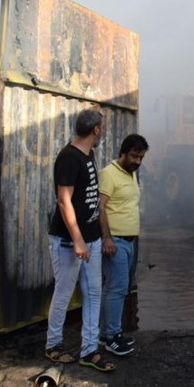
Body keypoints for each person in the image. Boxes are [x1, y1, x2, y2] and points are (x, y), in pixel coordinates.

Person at [45, 109, 115, 372]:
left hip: (92, 239)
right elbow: (64, 201)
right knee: (63, 292)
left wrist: (97, 236)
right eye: (102, 127)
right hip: (68, 241)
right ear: (96, 129)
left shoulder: (89, 155)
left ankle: (89, 350)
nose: (102, 132)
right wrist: (78, 240)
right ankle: (53, 345)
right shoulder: (69, 157)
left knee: (94, 293)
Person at [98, 133, 148, 357]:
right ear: (124, 153)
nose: (137, 161)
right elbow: (101, 207)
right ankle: (112, 337)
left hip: (130, 241)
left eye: (141, 157)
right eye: (134, 156)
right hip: (116, 241)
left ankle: (105, 334)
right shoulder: (109, 174)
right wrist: (107, 238)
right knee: (116, 289)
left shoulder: (131, 174)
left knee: (116, 288)